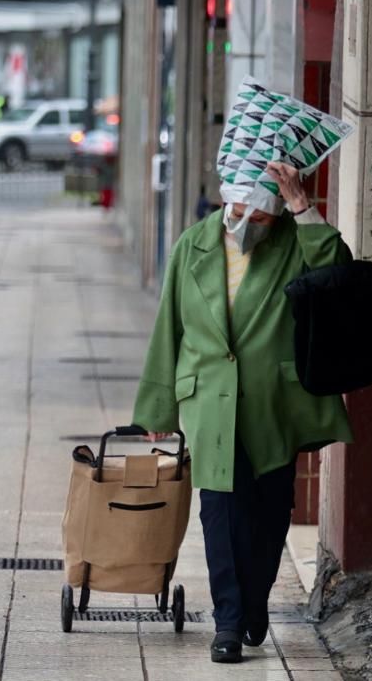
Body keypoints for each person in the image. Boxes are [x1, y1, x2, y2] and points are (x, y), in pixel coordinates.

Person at [132, 161, 353, 664]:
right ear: (224, 202)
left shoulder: (294, 240)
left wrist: (301, 205)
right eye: (238, 213)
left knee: (272, 511)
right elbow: (170, 325)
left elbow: (336, 272)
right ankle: (228, 622)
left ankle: (255, 602)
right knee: (221, 514)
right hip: (209, 399)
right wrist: (157, 406)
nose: (246, 225)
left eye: (261, 219)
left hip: (275, 400)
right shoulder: (193, 244)